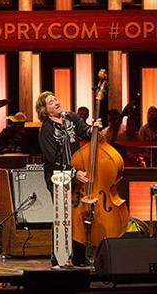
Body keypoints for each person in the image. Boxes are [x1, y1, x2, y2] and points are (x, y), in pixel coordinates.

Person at [36, 91, 101, 266]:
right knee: (62, 215)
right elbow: (53, 159)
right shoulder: (45, 130)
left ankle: (79, 257)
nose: (56, 102)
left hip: (77, 173)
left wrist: (94, 127)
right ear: (44, 109)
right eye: (51, 102)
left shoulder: (71, 117)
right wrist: (73, 172)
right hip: (57, 177)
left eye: (55, 99)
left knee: (79, 214)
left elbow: (85, 132)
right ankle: (58, 255)